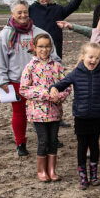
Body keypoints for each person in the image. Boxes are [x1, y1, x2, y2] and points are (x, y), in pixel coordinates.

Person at [0, 0, 59, 157]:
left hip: (41, 83)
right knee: (19, 113)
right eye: (19, 12)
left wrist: (56, 74)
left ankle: (48, 140)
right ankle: (20, 143)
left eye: (25, 12)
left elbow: (54, 56)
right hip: (17, 82)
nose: (23, 15)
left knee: (44, 112)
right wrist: (1, 80)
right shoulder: (6, 35)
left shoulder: (40, 33)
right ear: (12, 14)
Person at [51, 42, 100, 189]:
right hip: (81, 116)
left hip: (97, 115)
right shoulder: (76, 72)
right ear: (83, 57)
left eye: (97, 58)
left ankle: (94, 175)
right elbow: (62, 84)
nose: (93, 61)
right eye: (90, 57)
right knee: (82, 145)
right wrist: (53, 88)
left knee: (95, 144)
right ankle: (83, 176)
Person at [1, 0, 90, 60]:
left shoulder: (58, 9)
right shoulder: (32, 9)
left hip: (54, 48)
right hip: (36, 49)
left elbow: (73, 5)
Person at [19, 34, 70, 183]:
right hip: (38, 112)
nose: (44, 49)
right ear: (34, 47)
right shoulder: (30, 67)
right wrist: (45, 94)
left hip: (54, 111)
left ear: (51, 47)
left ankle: (52, 170)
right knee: (43, 140)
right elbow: (24, 89)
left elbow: (66, 86)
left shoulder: (57, 66)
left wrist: (59, 96)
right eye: (41, 46)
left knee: (53, 140)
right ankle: (41, 170)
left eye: (47, 46)